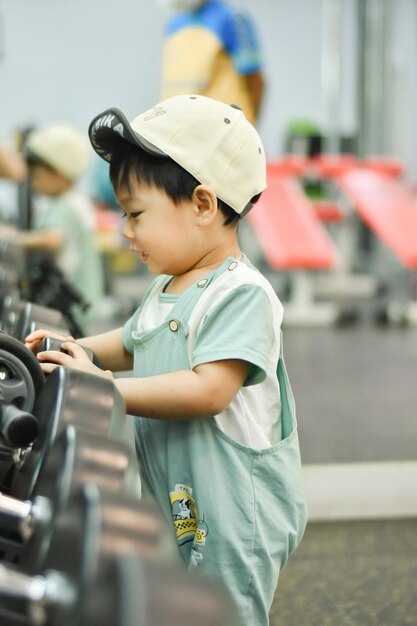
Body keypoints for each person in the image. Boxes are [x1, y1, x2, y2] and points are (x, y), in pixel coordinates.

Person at [25, 95, 307, 626]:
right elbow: (132, 341)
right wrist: (75, 349)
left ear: (203, 205)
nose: (125, 231)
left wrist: (103, 385)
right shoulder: (168, 285)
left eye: (135, 214)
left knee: (222, 612)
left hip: (232, 510)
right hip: (180, 493)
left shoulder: (240, 293)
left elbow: (209, 391)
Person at [0, 123, 106, 332]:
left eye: (37, 177)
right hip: (84, 299)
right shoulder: (78, 200)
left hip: (70, 300)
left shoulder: (64, 205)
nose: (34, 184)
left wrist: (11, 237)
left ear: (57, 173)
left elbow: (52, 239)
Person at [158, 0, 265, 124]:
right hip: (179, 126)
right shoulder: (174, 24)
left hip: (221, 128)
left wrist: (247, 130)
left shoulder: (231, 18)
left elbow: (255, 82)